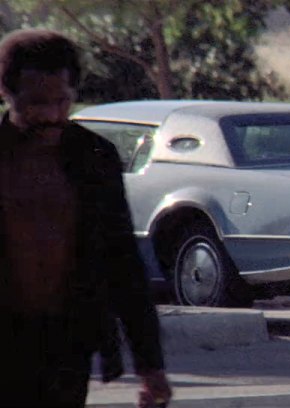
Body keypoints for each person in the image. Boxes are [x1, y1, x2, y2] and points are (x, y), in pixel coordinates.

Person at [0, 29, 172, 407]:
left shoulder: (95, 157)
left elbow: (123, 259)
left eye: (62, 101)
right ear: (6, 94)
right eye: (35, 103)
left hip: (66, 344)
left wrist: (150, 366)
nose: (50, 115)